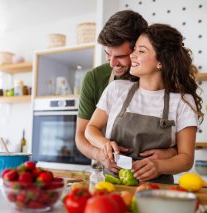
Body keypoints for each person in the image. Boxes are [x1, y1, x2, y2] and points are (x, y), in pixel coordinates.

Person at [85, 23, 204, 184]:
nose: (132, 55)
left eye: (141, 51)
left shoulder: (182, 101)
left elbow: (186, 159)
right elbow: (90, 130)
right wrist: (104, 143)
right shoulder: (116, 89)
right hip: (111, 186)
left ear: (161, 62)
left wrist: (159, 166)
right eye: (134, 49)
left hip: (156, 190)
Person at [75, 10, 177, 173]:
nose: (112, 64)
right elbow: (81, 135)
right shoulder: (96, 78)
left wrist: (172, 152)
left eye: (121, 56)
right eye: (108, 54)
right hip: (109, 174)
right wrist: (101, 156)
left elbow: (182, 144)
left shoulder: (166, 81)